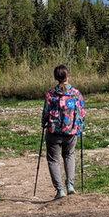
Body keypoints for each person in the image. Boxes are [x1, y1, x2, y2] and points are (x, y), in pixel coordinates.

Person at [41, 64, 85, 200]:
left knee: (53, 160)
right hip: (71, 131)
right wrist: (80, 126)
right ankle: (70, 185)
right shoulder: (76, 94)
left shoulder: (51, 93)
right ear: (67, 76)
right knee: (69, 155)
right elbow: (82, 113)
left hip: (53, 131)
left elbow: (46, 112)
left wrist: (43, 123)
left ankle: (60, 190)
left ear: (56, 77)